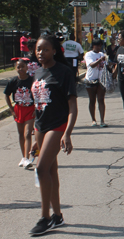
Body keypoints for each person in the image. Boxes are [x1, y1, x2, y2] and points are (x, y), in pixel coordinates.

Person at [29, 35, 77, 236]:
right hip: (41, 126)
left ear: (55, 51)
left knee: (41, 169)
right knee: (51, 171)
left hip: (58, 126)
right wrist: (33, 135)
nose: (41, 53)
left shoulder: (64, 72)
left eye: (45, 49)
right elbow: (37, 106)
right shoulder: (37, 71)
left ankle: (45, 218)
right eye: (38, 49)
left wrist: (67, 133)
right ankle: (57, 215)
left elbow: (72, 107)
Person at [4, 57, 35, 169]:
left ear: (27, 68)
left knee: (27, 134)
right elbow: (6, 95)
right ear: (15, 68)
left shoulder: (32, 80)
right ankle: (23, 157)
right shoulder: (13, 81)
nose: (20, 68)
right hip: (18, 109)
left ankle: (27, 158)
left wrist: (36, 108)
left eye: (23, 66)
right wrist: (12, 110)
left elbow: (36, 93)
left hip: (30, 109)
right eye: (18, 67)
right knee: (21, 134)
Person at [84, 39, 107, 127]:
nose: (98, 47)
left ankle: (102, 120)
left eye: (100, 45)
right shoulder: (89, 54)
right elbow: (92, 65)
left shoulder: (101, 54)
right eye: (97, 45)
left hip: (100, 80)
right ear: (93, 46)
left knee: (101, 99)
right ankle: (93, 119)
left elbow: (105, 65)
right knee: (92, 100)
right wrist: (100, 60)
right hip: (91, 79)